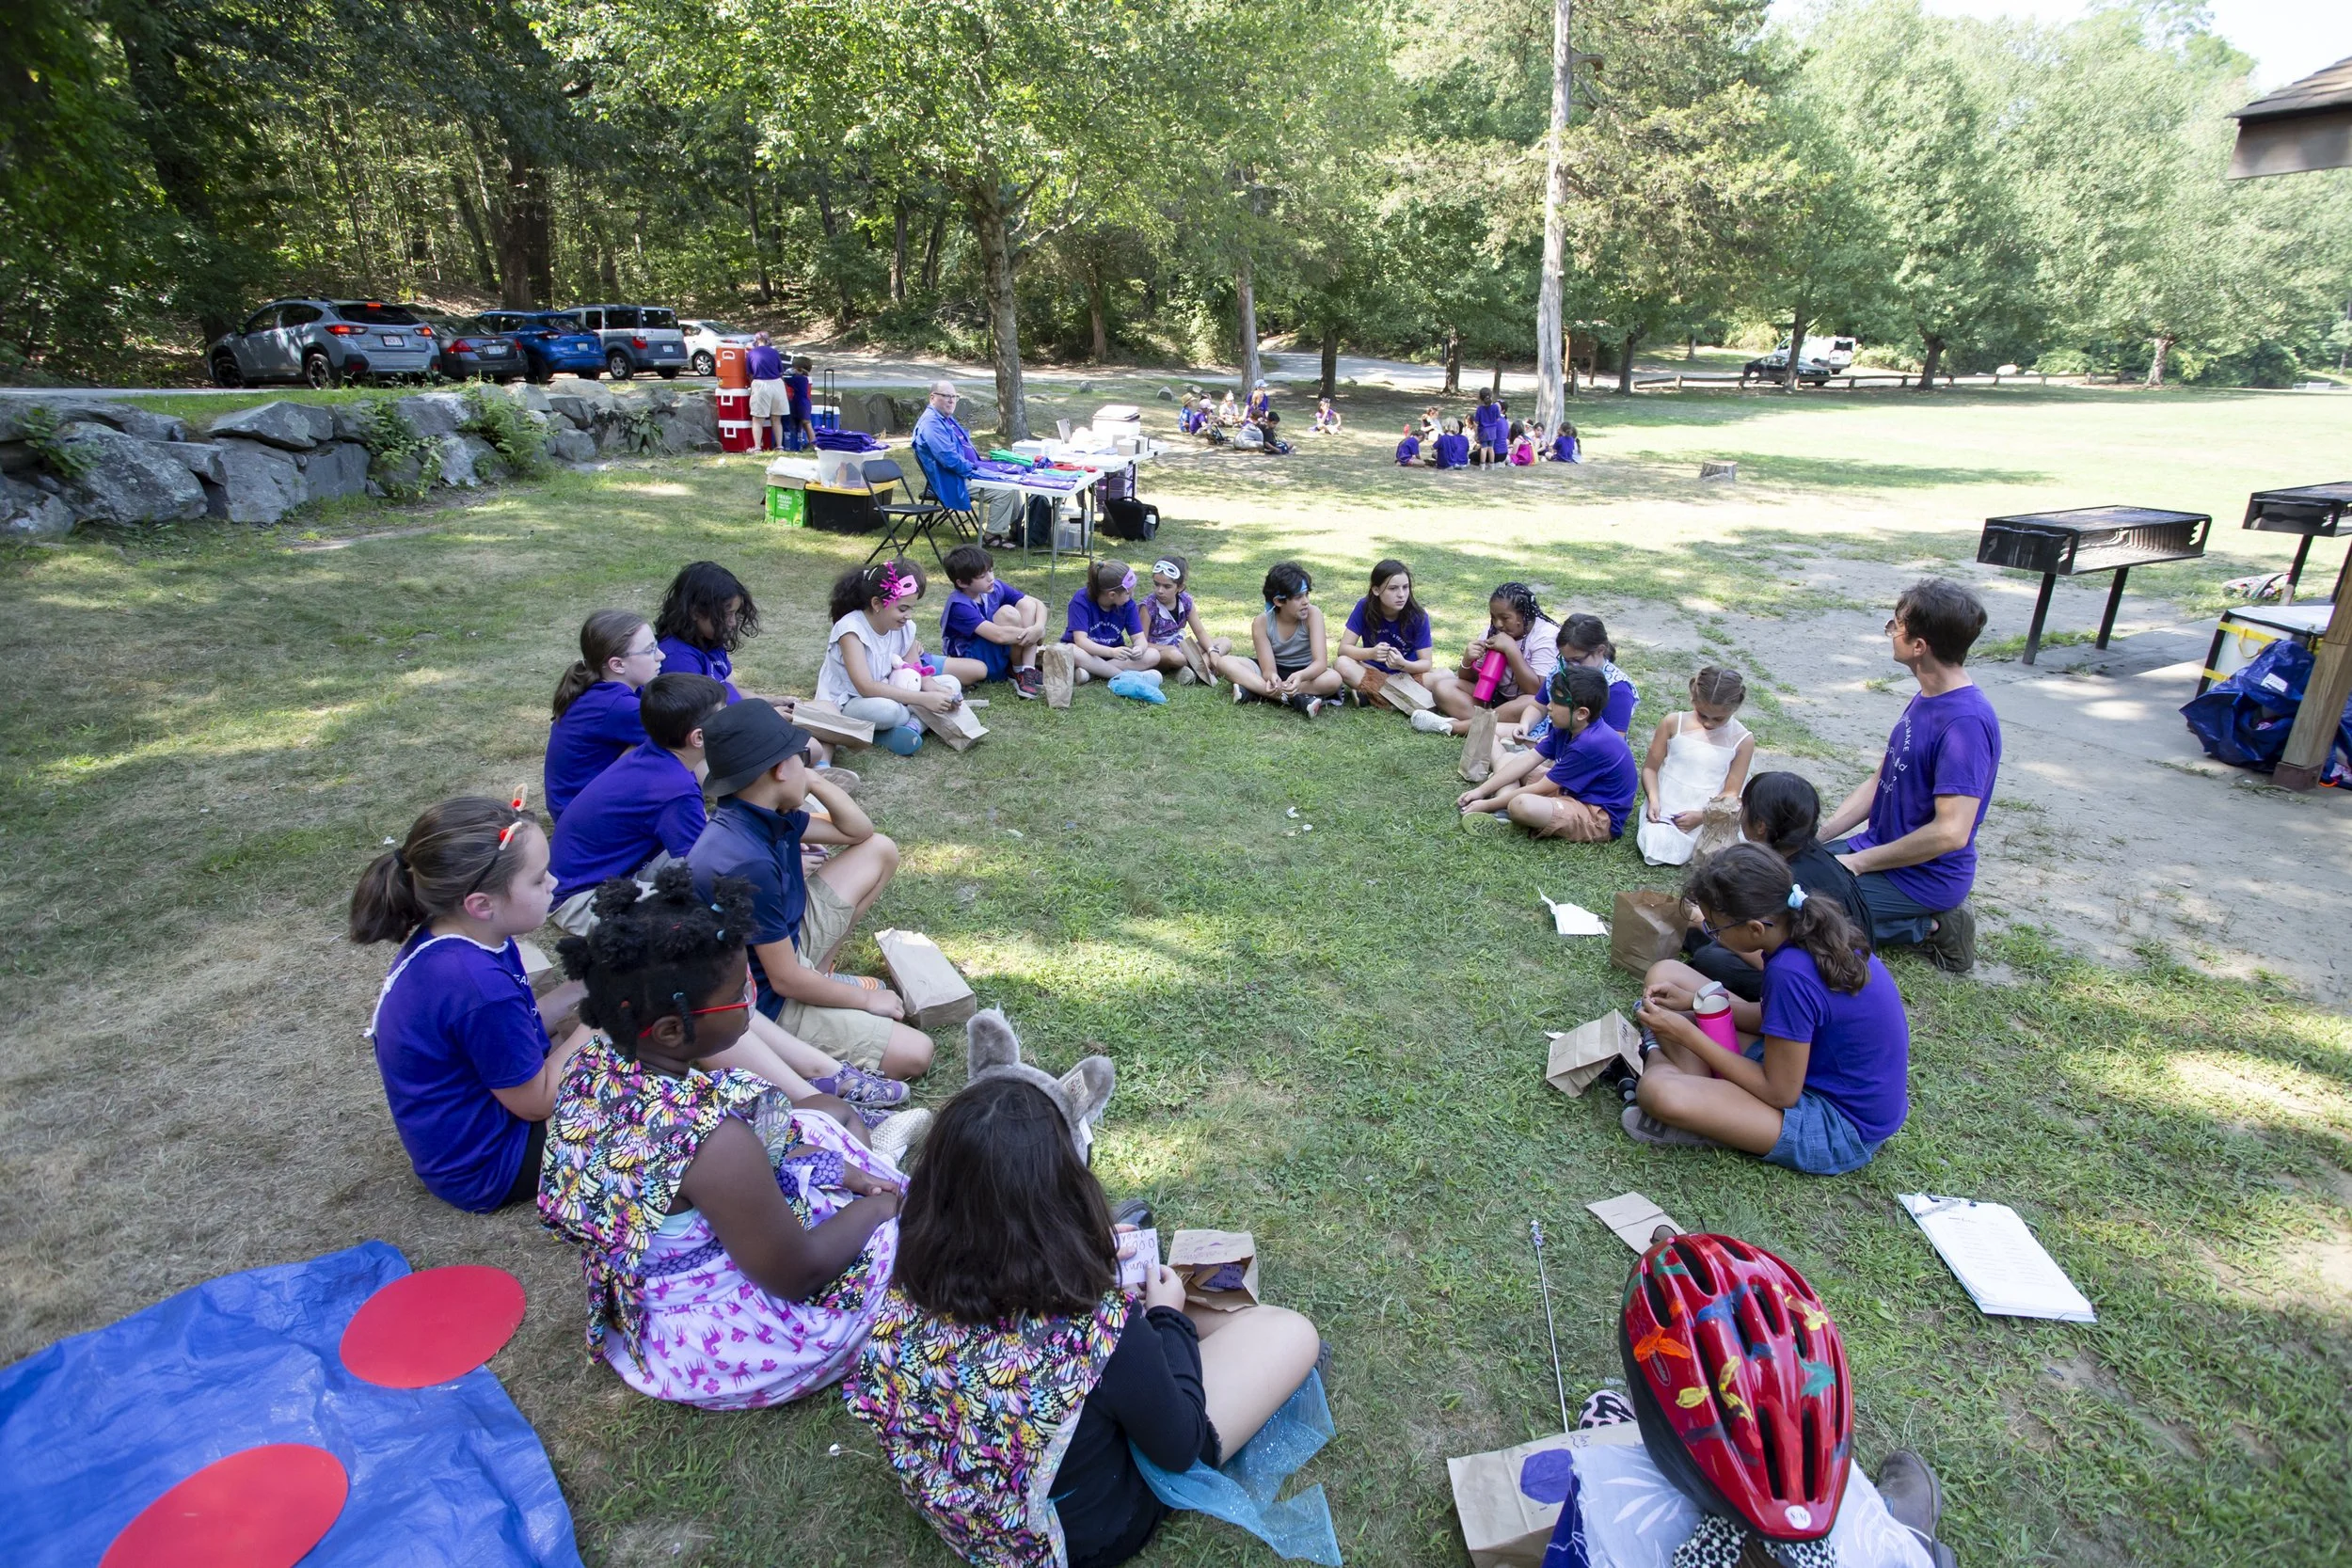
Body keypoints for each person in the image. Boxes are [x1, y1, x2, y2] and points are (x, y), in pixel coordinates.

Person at [844, 1065, 1322, 1568]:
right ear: (1063, 1197)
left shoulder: (908, 1279)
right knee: (1289, 1332)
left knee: (1159, 1300)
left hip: (961, 1504)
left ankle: (1188, 1315)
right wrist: (1166, 1320)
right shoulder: (1098, 1330)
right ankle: (1223, 1334)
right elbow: (1182, 1447)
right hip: (1078, 1532)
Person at [537, 866, 907, 1409]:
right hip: (724, 1341)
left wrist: (819, 1165)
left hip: (654, 1294)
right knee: (920, 1235)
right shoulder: (714, 1144)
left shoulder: (594, 1064)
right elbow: (798, 1273)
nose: (749, 1003)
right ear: (669, 1029)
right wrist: (884, 1210)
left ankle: (861, 1164)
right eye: (738, 994)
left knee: (827, 1112)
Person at [1562, 1234, 1956, 1568]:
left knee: (1602, 1411)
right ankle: (1900, 1533)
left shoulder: (1598, 1510)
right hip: (1862, 1550)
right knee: (1869, 1521)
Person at [351, 795, 582, 1213]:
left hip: (472, 1145)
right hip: (493, 1166)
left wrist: (581, 989)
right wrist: (600, 1024)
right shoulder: (476, 988)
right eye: (538, 879)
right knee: (638, 1057)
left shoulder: (461, 939)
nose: (554, 883)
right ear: (481, 904)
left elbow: (522, 1028)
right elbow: (537, 1102)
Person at [687, 701, 936, 1080]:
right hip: (769, 998)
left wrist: (815, 780)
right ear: (778, 769)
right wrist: (866, 999)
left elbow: (859, 832)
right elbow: (784, 980)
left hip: (784, 949)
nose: (807, 765)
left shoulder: (763, 813)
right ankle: (806, 1028)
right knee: (917, 1053)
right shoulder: (746, 861)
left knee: (879, 850)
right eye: (799, 758)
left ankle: (822, 978)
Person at [1627, 844, 1910, 1174]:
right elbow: (1776, 1020)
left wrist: (1686, 1033)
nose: (1714, 938)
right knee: (1667, 973)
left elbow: (1780, 1093)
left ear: (1755, 929)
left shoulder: (1791, 972)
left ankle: (1658, 1053)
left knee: (1660, 1093)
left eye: (1716, 929)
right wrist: (1694, 1004)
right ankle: (1699, 1088)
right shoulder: (1807, 932)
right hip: (1806, 1066)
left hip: (1839, 1124)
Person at [1820, 578, 2000, 974]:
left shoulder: (1964, 724)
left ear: (1919, 647)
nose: (1890, 632)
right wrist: (1820, 836)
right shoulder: (1926, 696)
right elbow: (1879, 781)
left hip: (1923, 876)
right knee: (1783, 879)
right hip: (1878, 849)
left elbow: (1951, 832)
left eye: (1895, 625)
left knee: (1803, 919)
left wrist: (1861, 863)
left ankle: (1930, 926)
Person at [548, 673, 729, 932]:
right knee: (711, 912)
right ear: (698, 738)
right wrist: (770, 864)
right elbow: (706, 867)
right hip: (581, 896)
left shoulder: (660, 755)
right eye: (723, 719)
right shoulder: (674, 789)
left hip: (604, 871)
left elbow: (707, 839)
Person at [1670, 770, 1870, 1004]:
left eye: (1744, 807)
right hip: (1829, 953)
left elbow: (1769, 945)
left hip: (1821, 974)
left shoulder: (1790, 880)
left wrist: (1702, 922)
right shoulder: (1810, 853)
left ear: (1760, 825)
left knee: (1711, 957)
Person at [1456, 665, 1639, 840]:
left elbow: (1541, 787)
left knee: (1522, 805)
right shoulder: (1567, 726)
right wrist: (1480, 791)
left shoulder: (1590, 743)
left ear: (1582, 713)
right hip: (1569, 791)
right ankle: (1503, 812)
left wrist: (1486, 805)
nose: (1549, 706)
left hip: (1596, 813)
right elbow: (1528, 759)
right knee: (1510, 759)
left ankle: (1505, 808)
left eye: (1556, 702)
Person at [816, 559, 965, 758]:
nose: (909, 616)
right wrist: (924, 699)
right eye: (903, 609)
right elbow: (865, 687)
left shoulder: (904, 628)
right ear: (877, 604)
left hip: (893, 689)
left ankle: (910, 726)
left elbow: (915, 668)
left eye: (912, 608)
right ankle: (900, 726)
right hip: (851, 702)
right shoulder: (851, 630)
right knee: (889, 711)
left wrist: (933, 687)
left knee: (951, 683)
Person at [545, 610, 660, 820]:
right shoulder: (617, 706)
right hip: (584, 815)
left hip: (575, 805)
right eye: (650, 650)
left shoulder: (605, 687)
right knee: (673, 740)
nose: (661, 656)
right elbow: (687, 738)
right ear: (617, 664)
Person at [1636, 666, 1755, 866]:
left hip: (1708, 810)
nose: (1709, 724)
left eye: (1718, 718)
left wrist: (1703, 817)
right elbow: (1650, 768)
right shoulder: (1674, 722)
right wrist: (1654, 800)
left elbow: (1730, 793)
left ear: (1736, 708)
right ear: (1693, 698)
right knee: (1656, 843)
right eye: (1702, 715)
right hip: (1667, 804)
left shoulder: (1742, 740)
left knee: (1714, 853)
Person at [1416, 580, 1559, 738]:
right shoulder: (1492, 631)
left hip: (1524, 704)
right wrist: (1467, 660)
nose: (1498, 624)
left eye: (1505, 618)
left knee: (1532, 702)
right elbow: (1469, 679)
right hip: (1493, 699)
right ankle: (1495, 723)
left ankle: (1458, 727)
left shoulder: (1546, 636)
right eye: (1493, 617)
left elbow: (1537, 691)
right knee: (1443, 687)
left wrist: (1511, 650)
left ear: (1524, 615)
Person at [1217, 562, 1342, 717]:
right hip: (1275, 673)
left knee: (1334, 679)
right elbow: (1268, 669)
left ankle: (1256, 692)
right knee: (1224, 662)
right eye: (1298, 597)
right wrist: (1272, 677)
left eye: (1307, 594)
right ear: (1278, 601)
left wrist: (1301, 676)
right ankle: (1295, 699)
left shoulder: (1313, 614)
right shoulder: (1261, 622)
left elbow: (1320, 663)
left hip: (1305, 675)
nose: (1306, 601)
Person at [910, 380, 1019, 542]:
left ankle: (1016, 531)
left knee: (1013, 484)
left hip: (964, 472)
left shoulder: (945, 418)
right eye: (946, 396)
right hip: (952, 479)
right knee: (1004, 491)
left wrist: (983, 466)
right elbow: (950, 460)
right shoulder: (931, 424)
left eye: (954, 396)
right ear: (932, 398)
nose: (951, 400)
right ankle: (992, 536)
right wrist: (977, 471)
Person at [936, 544, 1048, 701]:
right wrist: (1038, 634)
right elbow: (999, 636)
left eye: (991, 570)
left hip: (995, 649)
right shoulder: (959, 605)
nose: (991, 578)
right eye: (982, 576)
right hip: (973, 658)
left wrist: (1038, 627)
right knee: (1007, 613)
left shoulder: (993, 587)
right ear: (962, 583)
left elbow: (1038, 604)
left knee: (1027, 605)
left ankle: (1026, 669)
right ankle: (1017, 669)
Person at [1334, 558, 1436, 706]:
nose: (1401, 594)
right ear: (1376, 590)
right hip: (1372, 671)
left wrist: (1402, 664)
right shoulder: (1364, 607)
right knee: (1342, 664)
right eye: (1393, 588)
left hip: (1408, 675)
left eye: (1405, 587)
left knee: (1445, 676)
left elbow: (1426, 664)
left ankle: (1374, 696)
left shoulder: (1418, 615)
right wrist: (1371, 654)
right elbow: (1343, 649)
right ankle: (1403, 699)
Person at [653, 561, 756, 703]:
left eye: (735, 613)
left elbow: (731, 690)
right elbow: (703, 716)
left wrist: (771, 702)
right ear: (695, 612)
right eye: (726, 615)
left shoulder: (709, 640)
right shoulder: (679, 660)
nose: (733, 623)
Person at [1060, 558, 1158, 685]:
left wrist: (1139, 648)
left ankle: (1092, 673)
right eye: (1128, 593)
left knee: (1153, 654)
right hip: (1086, 653)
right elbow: (1081, 641)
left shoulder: (1128, 605)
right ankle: (1125, 677)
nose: (1132, 596)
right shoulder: (1080, 600)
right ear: (1112, 595)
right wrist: (1111, 652)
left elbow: (1139, 638)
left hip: (1113, 657)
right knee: (1071, 650)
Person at [1135, 553, 1228, 685]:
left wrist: (1212, 651)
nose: (1160, 590)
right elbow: (1141, 642)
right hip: (1161, 653)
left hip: (1182, 647)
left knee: (1225, 641)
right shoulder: (1148, 607)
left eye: (1167, 586)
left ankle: (1196, 669)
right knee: (1175, 656)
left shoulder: (1186, 601)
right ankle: (1199, 666)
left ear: (1180, 587)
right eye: (1156, 584)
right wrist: (1168, 649)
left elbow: (1200, 632)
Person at [746, 332, 788, 453]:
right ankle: (779, 446)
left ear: (756, 341)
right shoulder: (774, 352)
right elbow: (781, 371)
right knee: (776, 418)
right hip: (777, 384)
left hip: (760, 384)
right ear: (768, 340)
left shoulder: (751, 353)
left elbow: (750, 373)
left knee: (758, 419)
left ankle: (757, 447)